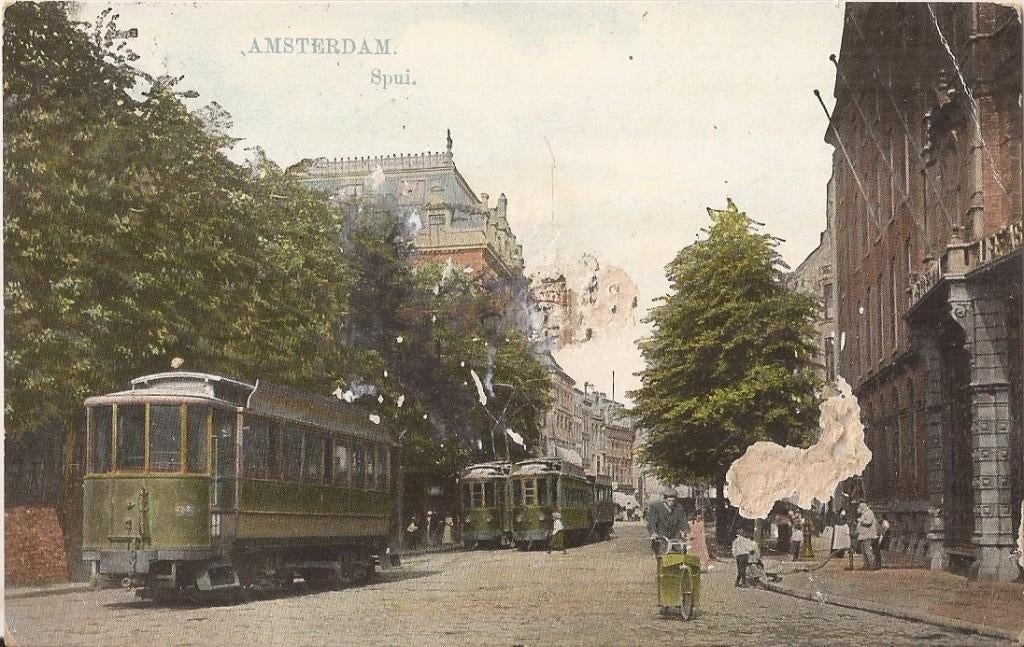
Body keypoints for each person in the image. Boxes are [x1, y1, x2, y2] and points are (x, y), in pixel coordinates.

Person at [646, 487, 688, 554]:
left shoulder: (679, 508)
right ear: (665, 499)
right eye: (669, 500)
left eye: (673, 501)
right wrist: (653, 533)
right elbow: (652, 522)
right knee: (662, 557)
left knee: (681, 553)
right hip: (661, 538)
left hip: (674, 537)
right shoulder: (657, 507)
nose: (671, 503)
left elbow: (683, 521)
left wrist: (684, 531)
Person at [856, 502, 878, 570]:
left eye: (859, 507)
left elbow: (869, 523)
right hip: (863, 534)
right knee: (863, 551)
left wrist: (861, 521)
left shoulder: (869, 512)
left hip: (868, 534)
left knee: (867, 550)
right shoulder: (864, 513)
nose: (858, 509)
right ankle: (866, 565)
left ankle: (872, 565)